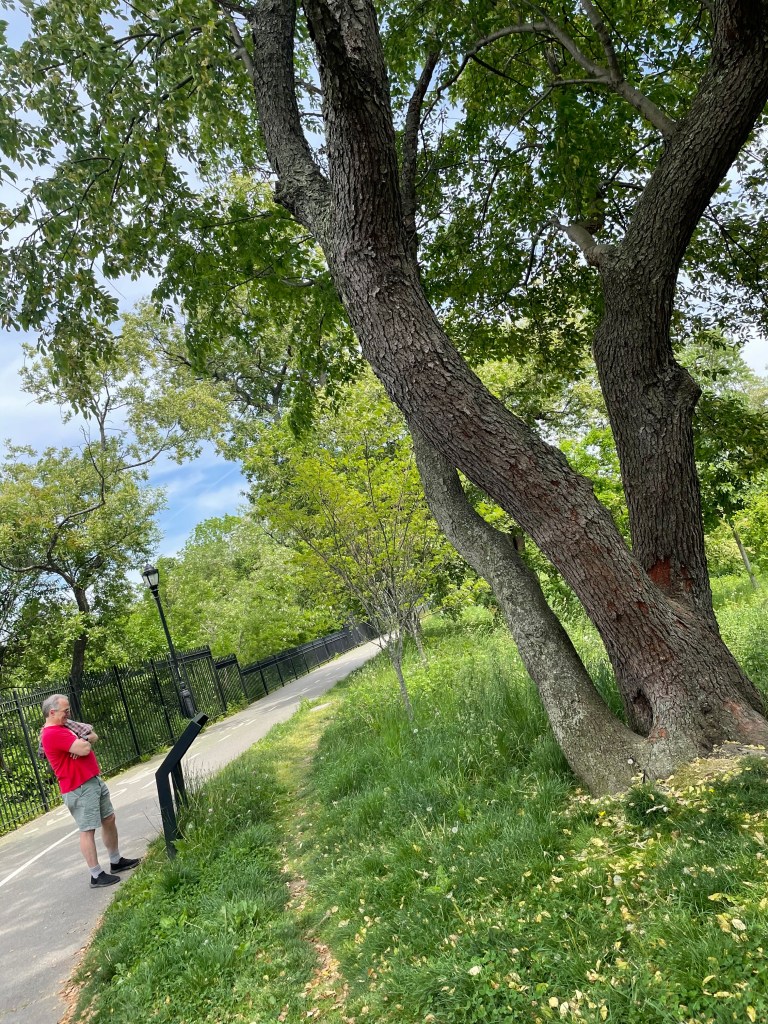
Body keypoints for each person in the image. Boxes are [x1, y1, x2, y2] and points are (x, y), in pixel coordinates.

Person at [40, 693, 140, 888]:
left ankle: (116, 861)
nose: (69, 714)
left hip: (91, 781)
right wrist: (82, 742)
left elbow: (93, 736)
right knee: (87, 830)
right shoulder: (52, 733)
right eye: (65, 711)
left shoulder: (66, 726)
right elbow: (85, 749)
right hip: (78, 787)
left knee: (109, 819)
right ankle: (96, 875)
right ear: (52, 712)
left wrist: (81, 739)